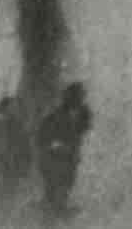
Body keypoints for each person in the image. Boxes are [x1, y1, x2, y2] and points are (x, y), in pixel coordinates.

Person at [35, 82, 91, 216]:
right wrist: (56, 146)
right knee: (55, 185)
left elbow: (83, 131)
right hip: (54, 158)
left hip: (70, 157)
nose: (79, 100)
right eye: (75, 96)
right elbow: (42, 137)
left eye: (80, 97)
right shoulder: (54, 116)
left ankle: (57, 209)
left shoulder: (83, 114)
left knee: (67, 183)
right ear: (68, 97)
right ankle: (51, 210)